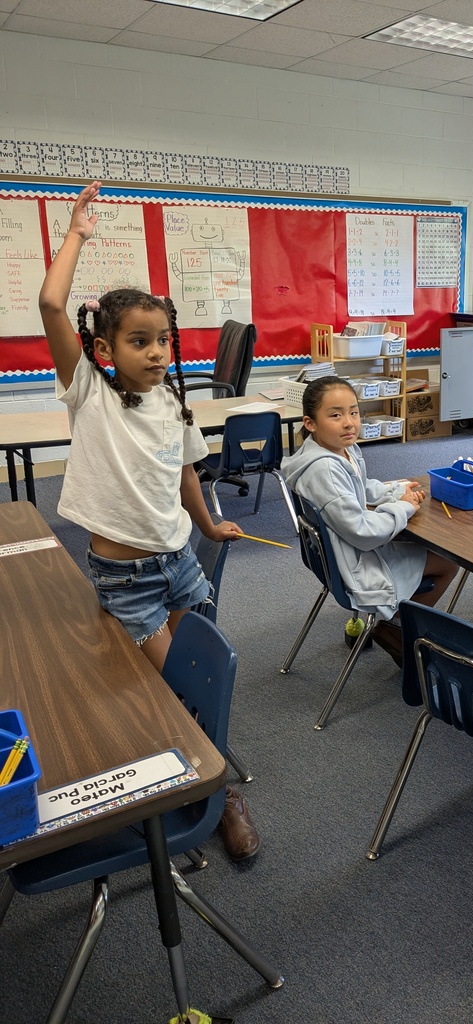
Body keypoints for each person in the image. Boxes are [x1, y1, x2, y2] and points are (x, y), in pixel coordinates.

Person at [39, 180, 260, 862]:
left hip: (178, 562)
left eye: (164, 339)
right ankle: (214, 791)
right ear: (104, 348)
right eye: (140, 341)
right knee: (180, 683)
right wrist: (76, 232)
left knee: (193, 674)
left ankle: (196, 759)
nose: (158, 352)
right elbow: (51, 302)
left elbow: (187, 472)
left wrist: (210, 524)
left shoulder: (170, 402)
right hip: (127, 576)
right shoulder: (89, 396)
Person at [282, 376, 458, 666]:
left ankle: (397, 624)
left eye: (354, 412)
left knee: (415, 541)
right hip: (354, 563)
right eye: (335, 415)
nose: (349, 422)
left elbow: (361, 487)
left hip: (337, 557)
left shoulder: (338, 451)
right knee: (448, 562)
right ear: (310, 423)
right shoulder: (325, 469)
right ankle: (396, 628)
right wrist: (403, 509)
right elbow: (363, 532)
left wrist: (397, 489)